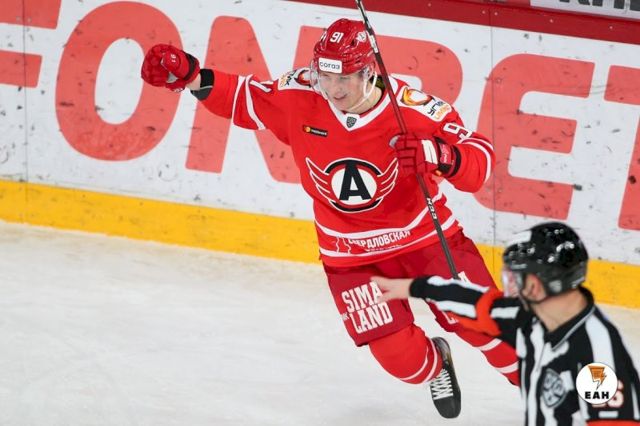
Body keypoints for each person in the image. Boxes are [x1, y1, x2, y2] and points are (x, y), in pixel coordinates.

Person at [140, 18, 518, 418]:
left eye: (345, 80)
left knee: (484, 326)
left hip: (424, 240)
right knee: (403, 363)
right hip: (350, 257)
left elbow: (480, 164)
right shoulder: (301, 94)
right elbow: (243, 98)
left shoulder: (414, 111)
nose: (334, 90)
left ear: (368, 72)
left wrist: (442, 155)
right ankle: (437, 364)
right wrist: (190, 76)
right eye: (326, 77)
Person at [374, 222, 640, 425]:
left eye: (520, 277)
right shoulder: (529, 316)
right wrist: (418, 286)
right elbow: (477, 303)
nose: (512, 285)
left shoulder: (595, 352)